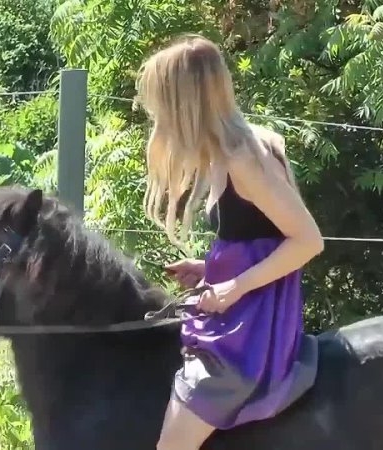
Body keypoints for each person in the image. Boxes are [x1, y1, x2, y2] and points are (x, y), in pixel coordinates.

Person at [135, 34, 325, 450]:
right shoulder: (225, 153)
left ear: (183, 104)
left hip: (251, 325)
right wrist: (210, 269)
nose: (155, 116)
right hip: (240, 306)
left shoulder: (244, 160)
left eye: (159, 104)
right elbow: (260, 237)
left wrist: (234, 286)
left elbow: (308, 241)